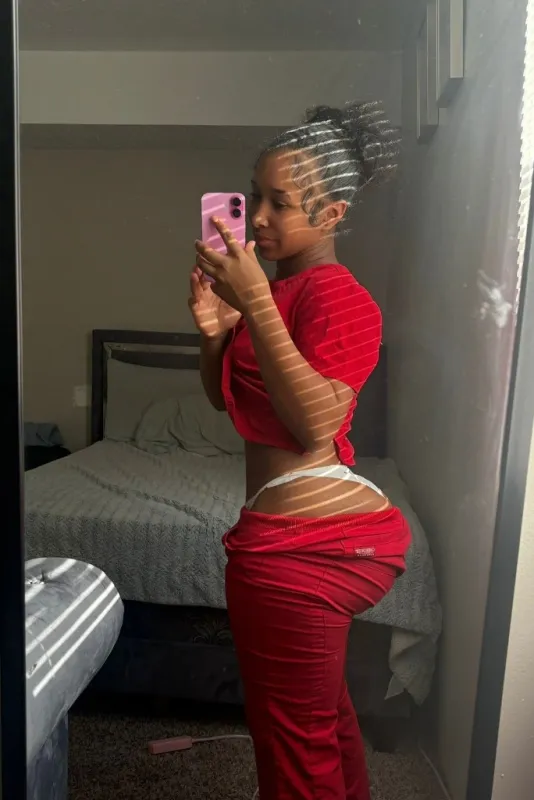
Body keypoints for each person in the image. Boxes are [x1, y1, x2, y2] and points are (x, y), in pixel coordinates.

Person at [188, 101, 411, 800]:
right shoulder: (275, 293)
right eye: (254, 195)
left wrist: (256, 304)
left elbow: (316, 424)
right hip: (298, 533)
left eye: (279, 203)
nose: (256, 218)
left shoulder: (340, 297)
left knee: (290, 745)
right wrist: (215, 333)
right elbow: (229, 402)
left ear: (333, 214)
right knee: (322, 721)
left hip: (306, 549)